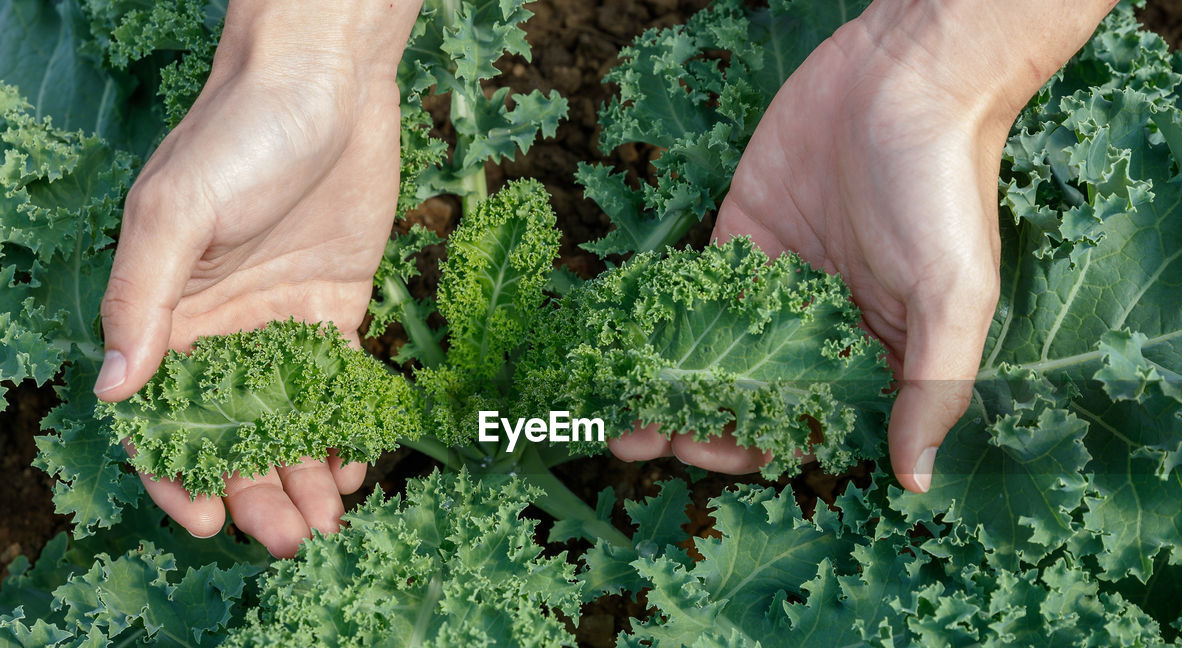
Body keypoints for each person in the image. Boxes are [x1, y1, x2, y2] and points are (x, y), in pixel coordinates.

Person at [92, 0, 1120, 557]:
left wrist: (946, 60)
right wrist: (313, 45)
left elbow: (535, 418)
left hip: (539, 420)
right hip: (525, 424)